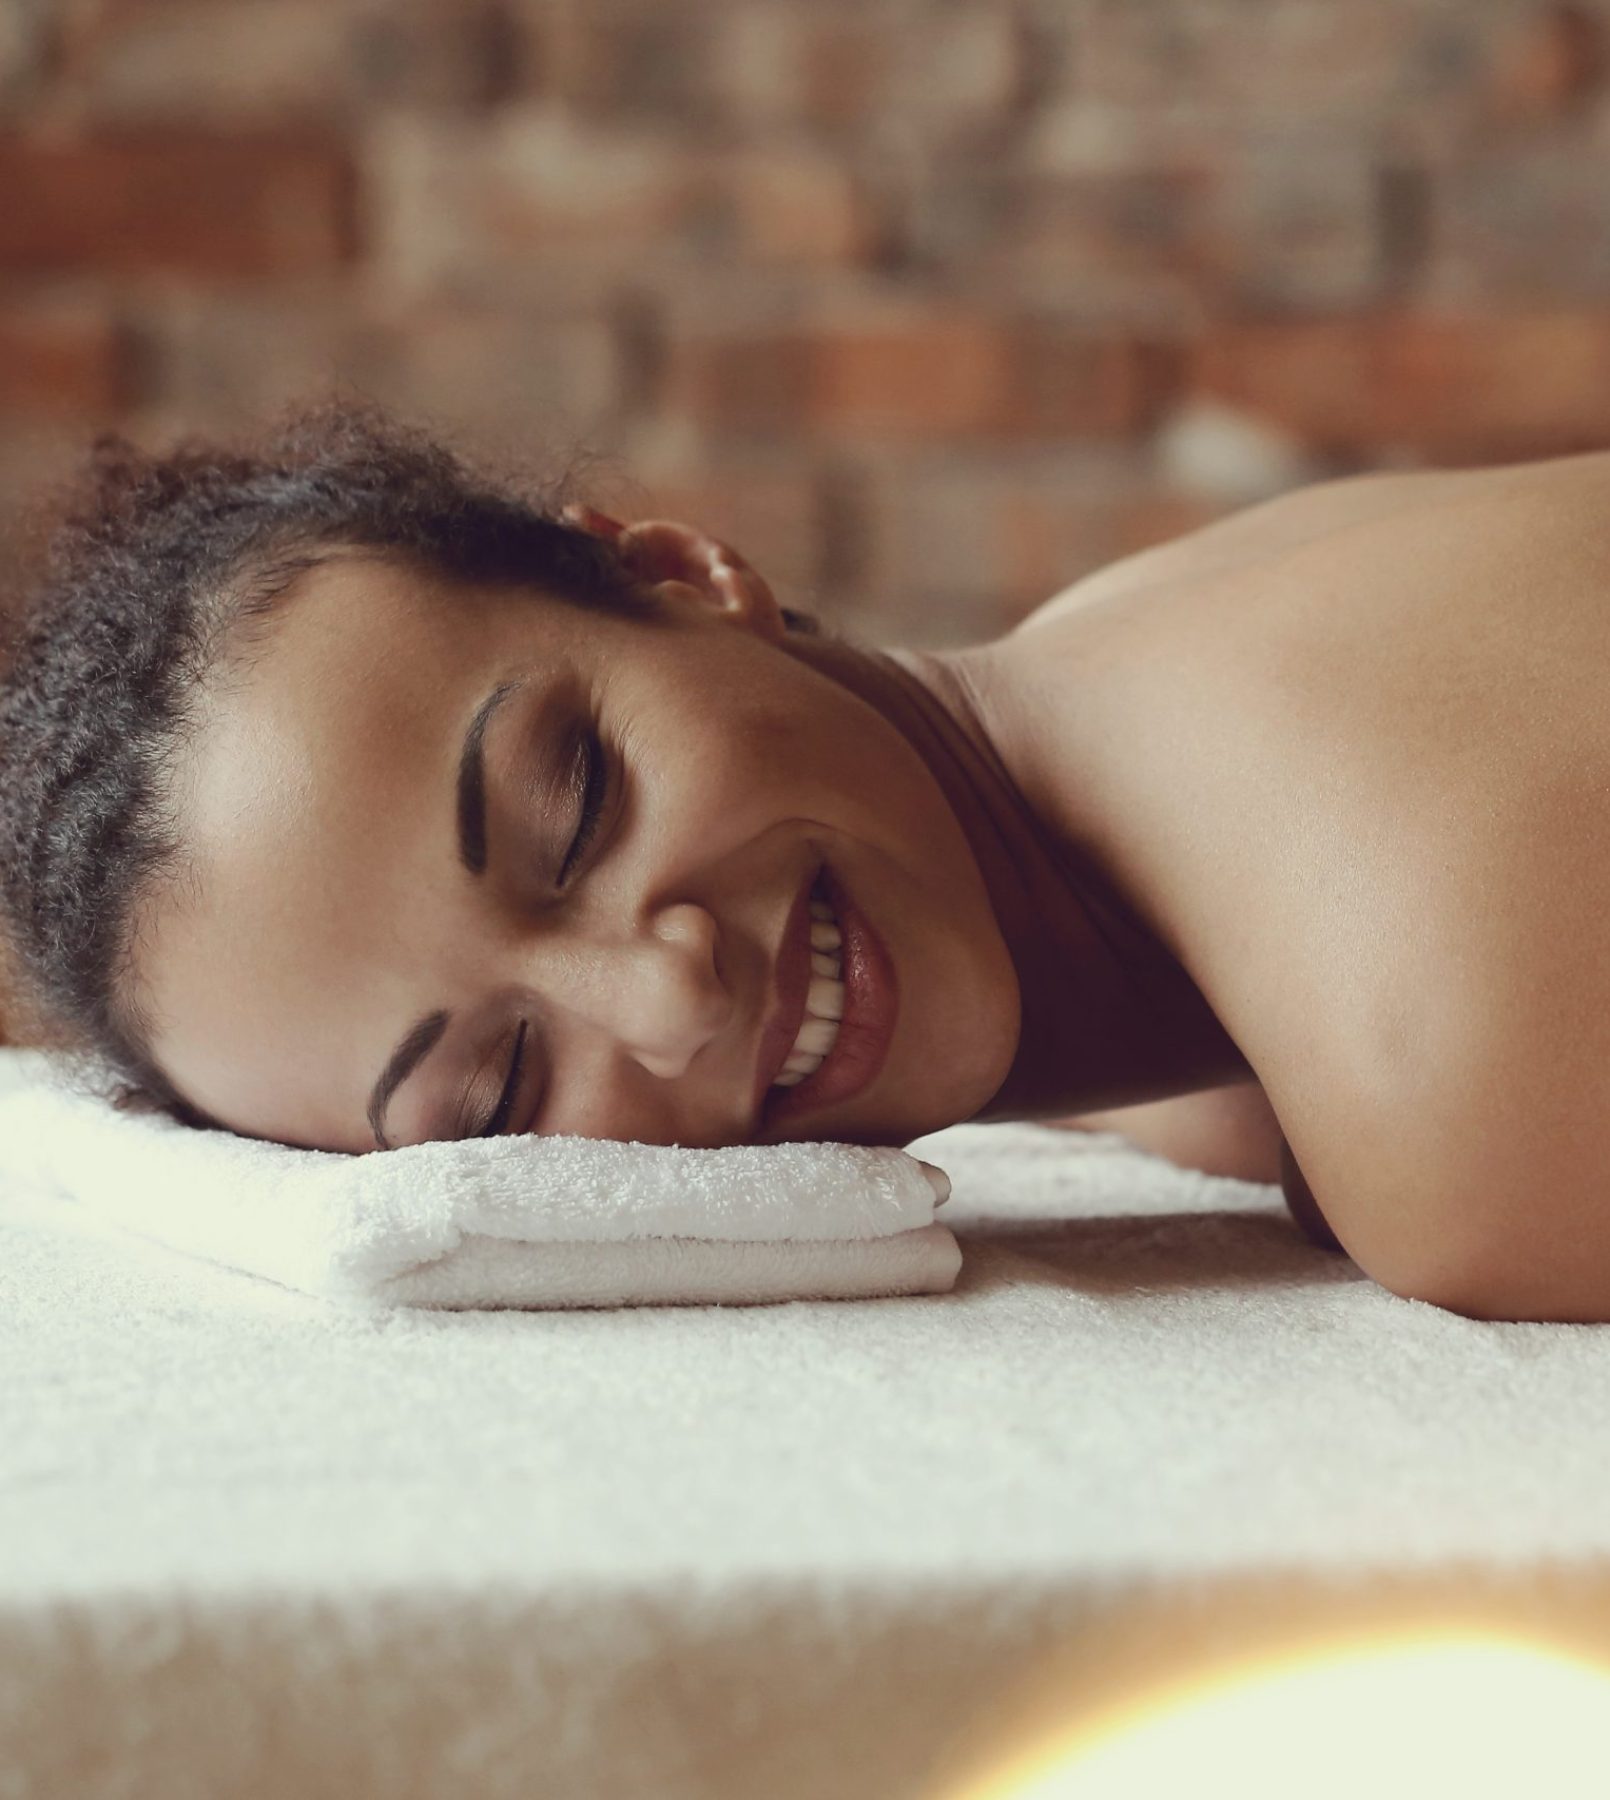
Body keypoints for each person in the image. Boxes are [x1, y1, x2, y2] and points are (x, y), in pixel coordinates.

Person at [3, 400, 1608, 1322]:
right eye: (495, 1097)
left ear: (684, 575)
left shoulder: (1440, 1051)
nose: (668, 995)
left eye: (575, 810)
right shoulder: (1132, 703)